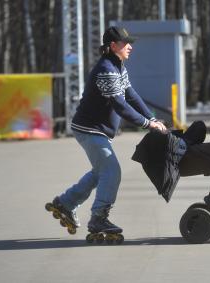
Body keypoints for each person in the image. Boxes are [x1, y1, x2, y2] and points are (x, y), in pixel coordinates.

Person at [46, 26, 167, 236]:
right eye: (125, 43)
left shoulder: (118, 66)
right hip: (90, 130)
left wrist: (152, 117)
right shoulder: (106, 70)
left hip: (96, 130)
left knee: (100, 172)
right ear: (113, 46)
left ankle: (66, 203)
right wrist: (147, 124)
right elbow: (120, 106)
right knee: (111, 172)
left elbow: (131, 95)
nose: (130, 47)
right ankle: (98, 219)